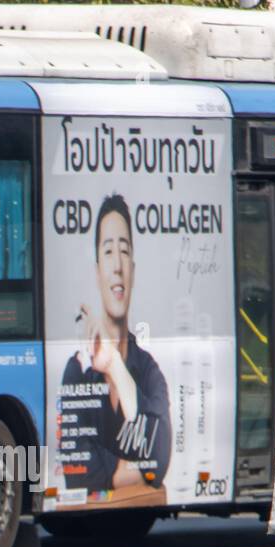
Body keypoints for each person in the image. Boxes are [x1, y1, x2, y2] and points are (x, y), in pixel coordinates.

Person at [61, 192, 172, 494]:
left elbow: (158, 462)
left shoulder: (149, 371)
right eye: (108, 251)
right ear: (97, 271)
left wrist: (115, 367)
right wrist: (136, 472)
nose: (118, 265)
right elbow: (77, 471)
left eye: (124, 251)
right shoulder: (77, 371)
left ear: (133, 270)